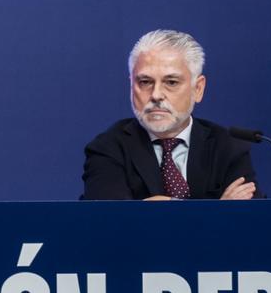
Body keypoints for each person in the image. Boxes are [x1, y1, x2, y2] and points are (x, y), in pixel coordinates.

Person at [81, 30, 259, 201]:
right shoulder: (108, 148)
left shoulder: (228, 147)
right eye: (145, 82)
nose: (156, 94)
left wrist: (157, 207)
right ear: (131, 85)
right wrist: (217, 211)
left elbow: (250, 221)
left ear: (198, 89)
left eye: (171, 82)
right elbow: (109, 222)